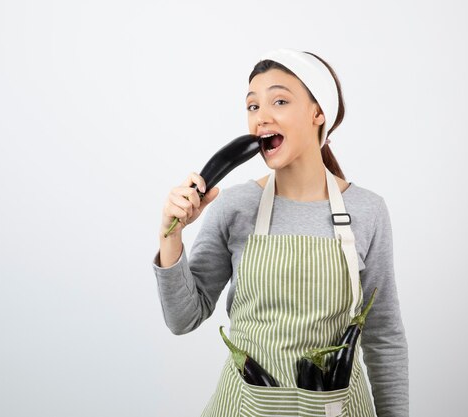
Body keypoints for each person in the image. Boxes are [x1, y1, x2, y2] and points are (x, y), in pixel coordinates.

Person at [152, 48, 409, 417]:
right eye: (252, 106)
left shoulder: (367, 210)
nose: (261, 116)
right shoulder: (234, 205)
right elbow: (183, 318)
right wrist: (170, 234)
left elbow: (384, 338)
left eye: (280, 100)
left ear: (317, 112)